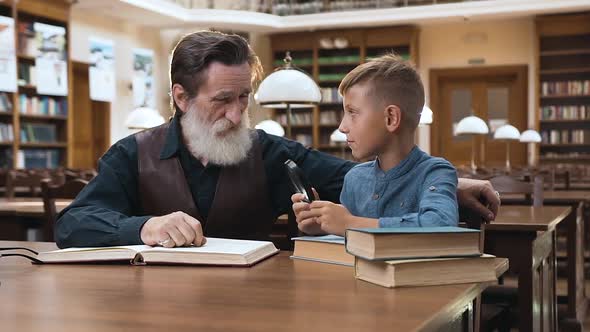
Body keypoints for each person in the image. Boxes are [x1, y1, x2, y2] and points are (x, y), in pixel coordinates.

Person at [55, 30, 499, 249]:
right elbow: (73, 224)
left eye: (244, 98)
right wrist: (144, 226)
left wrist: (446, 183)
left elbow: (359, 174)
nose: (237, 114)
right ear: (181, 97)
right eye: (222, 101)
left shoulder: (269, 152)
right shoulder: (132, 154)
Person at [292, 54, 457, 236]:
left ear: (391, 118)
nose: (342, 127)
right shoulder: (354, 178)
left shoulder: (436, 172)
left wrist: (351, 223)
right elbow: (351, 241)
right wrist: (321, 226)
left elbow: (441, 226)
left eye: (352, 112)